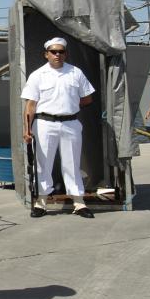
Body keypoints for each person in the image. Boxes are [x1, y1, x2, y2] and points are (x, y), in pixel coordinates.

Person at [21, 37, 96, 218]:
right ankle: (41, 202)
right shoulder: (37, 75)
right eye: (53, 52)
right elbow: (30, 105)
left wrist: (70, 104)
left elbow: (87, 98)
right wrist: (27, 130)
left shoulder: (75, 73)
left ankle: (78, 202)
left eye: (61, 51)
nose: (57, 55)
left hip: (70, 123)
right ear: (46, 54)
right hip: (45, 124)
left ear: (66, 54)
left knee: (72, 163)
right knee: (43, 164)